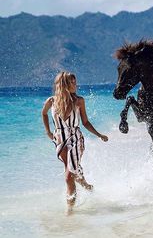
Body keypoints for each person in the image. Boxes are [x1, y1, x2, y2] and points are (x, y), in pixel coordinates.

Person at [42, 71, 108, 211]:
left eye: (75, 82)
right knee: (72, 171)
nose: (75, 85)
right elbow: (44, 113)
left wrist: (99, 134)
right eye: (72, 82)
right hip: (59, 140)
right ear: (64, 84)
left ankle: (70, 212)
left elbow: (85, 122)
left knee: (68, 175)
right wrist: (48, 131)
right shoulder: (51, 101)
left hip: (75, 139)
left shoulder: (79, 100)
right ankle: (87, 186)